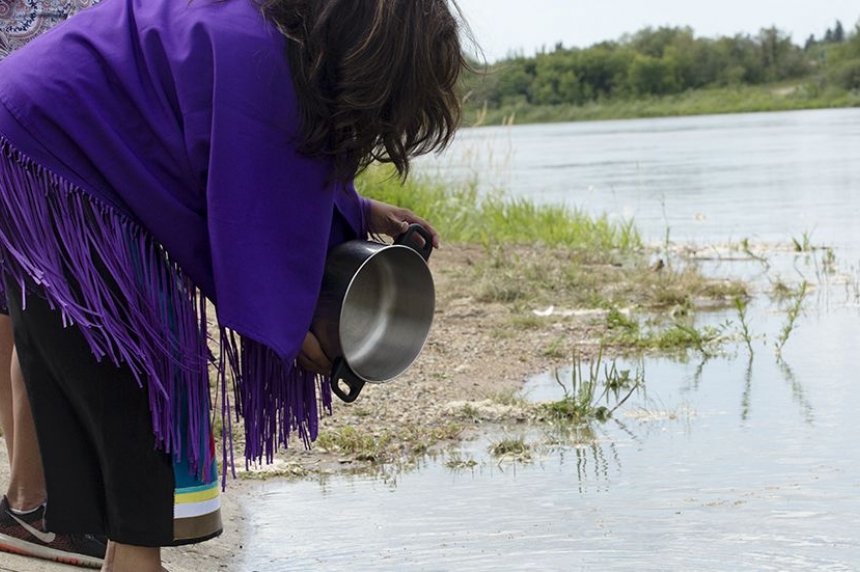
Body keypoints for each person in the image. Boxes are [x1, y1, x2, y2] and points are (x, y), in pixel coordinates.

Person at [0, 0, 468, 570]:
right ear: (373, 57)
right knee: (134, 376)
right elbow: (244, 208)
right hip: (49, 153)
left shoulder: (273, 42)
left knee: (117, 380)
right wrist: (290, 328)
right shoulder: (262, 57)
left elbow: (271, 165)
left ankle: (121, 552)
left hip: (46, 140)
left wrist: (360, 208)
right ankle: (133, 562)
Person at [0, 1, 107, 567]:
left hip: (32, 119)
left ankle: (30, 498)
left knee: (17, 319)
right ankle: (31, 503)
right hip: (44, 137)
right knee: (36, 321)